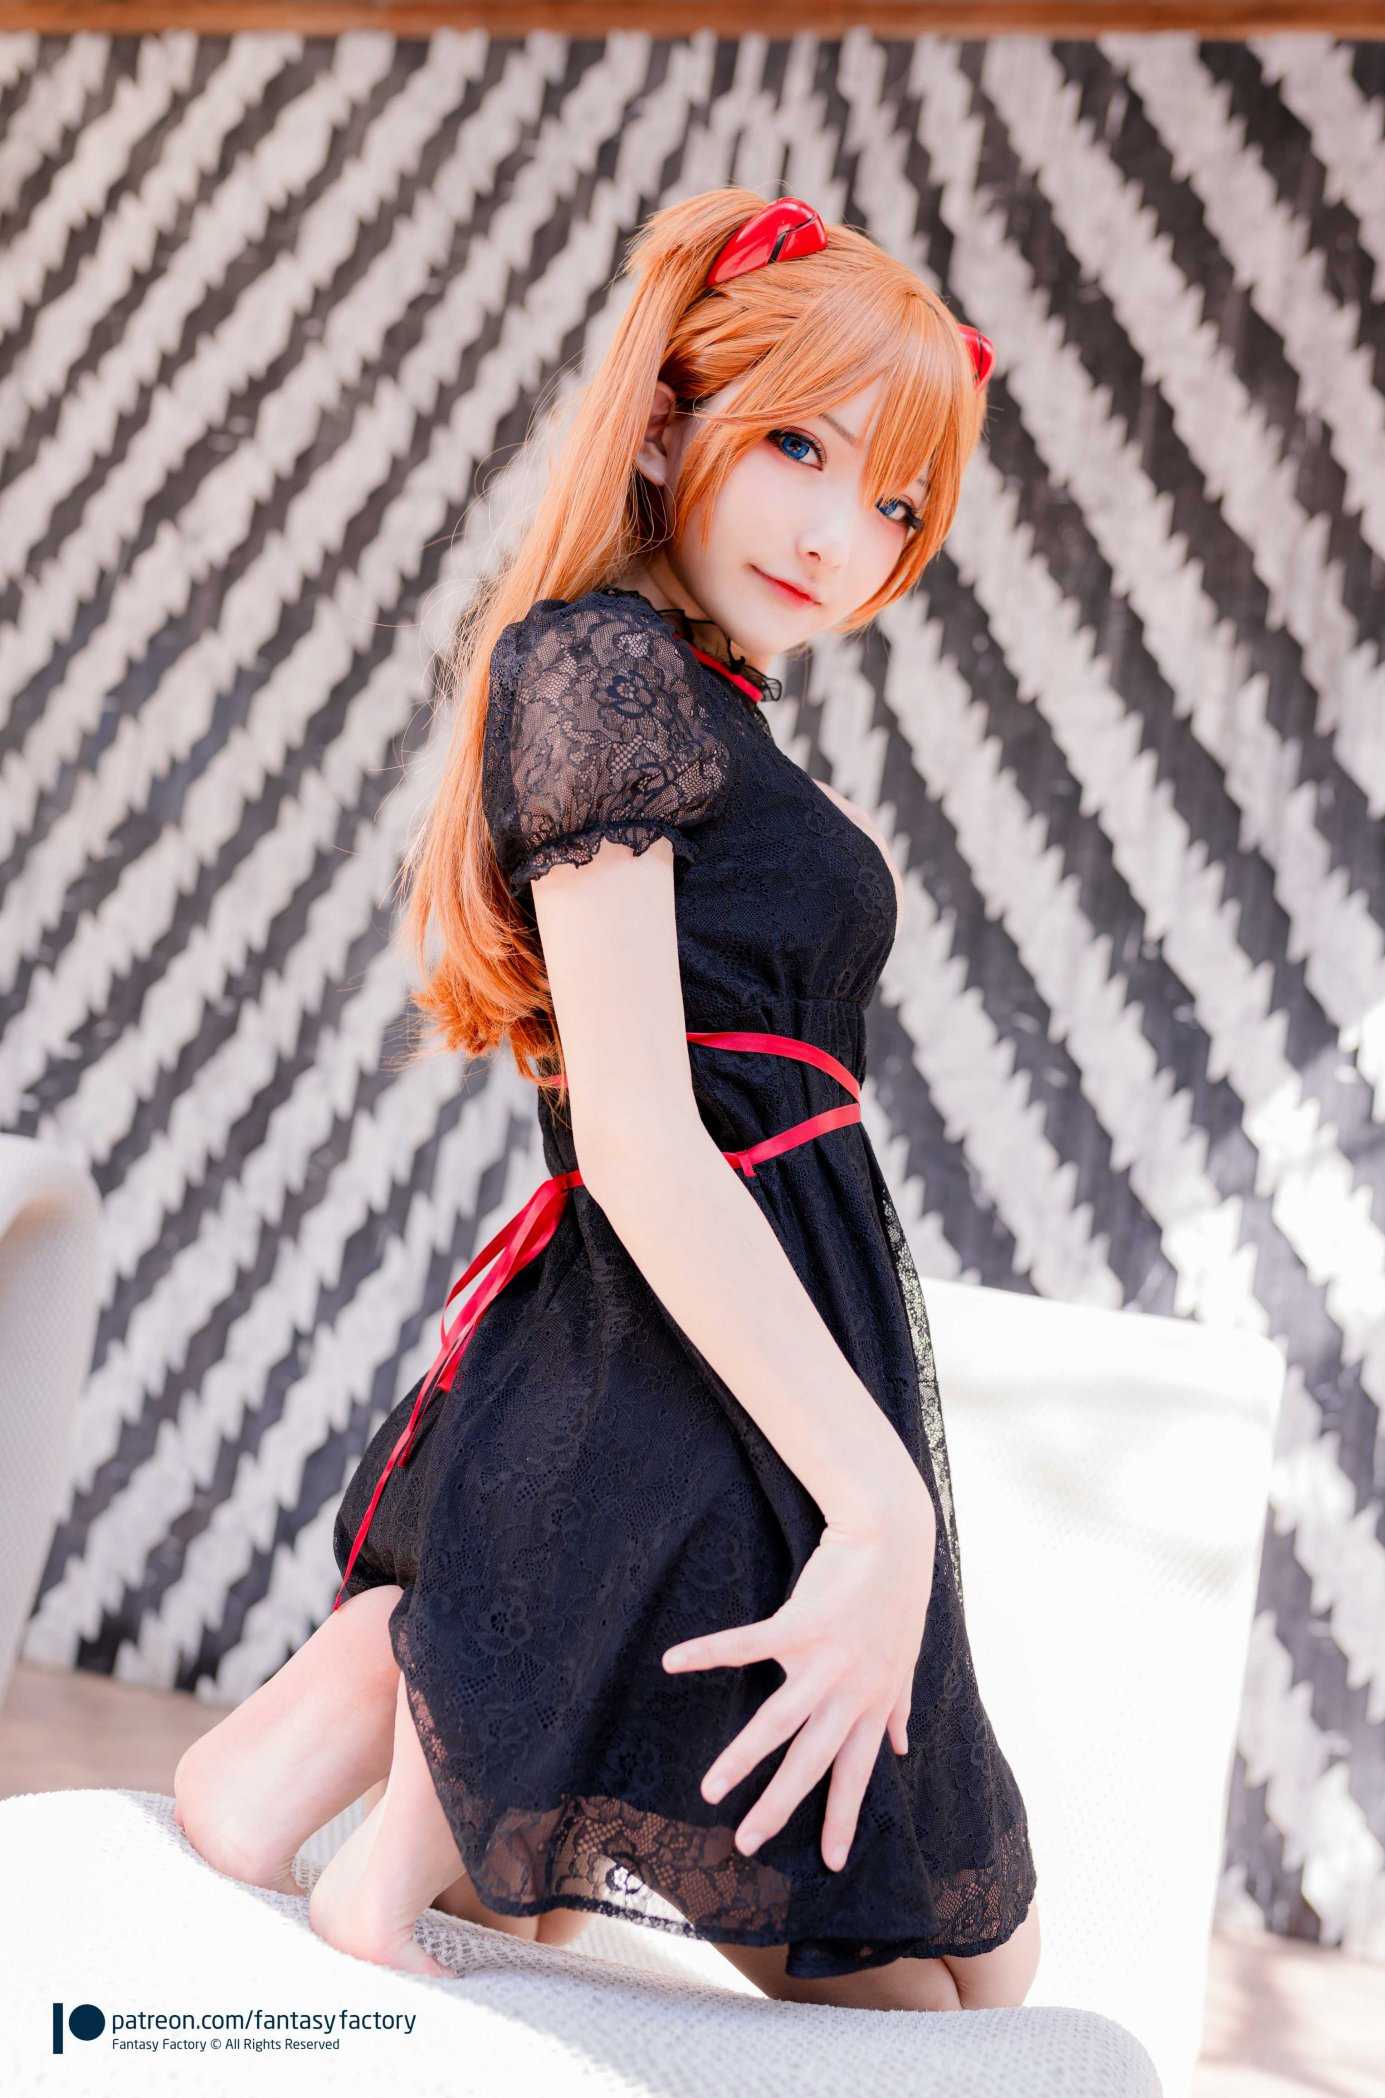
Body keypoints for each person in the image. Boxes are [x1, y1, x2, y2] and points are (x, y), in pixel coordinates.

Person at [173, 188, 1040, 2014]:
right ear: (661, 424)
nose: (844, 534)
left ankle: (407, 1680)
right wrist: (883, 1505)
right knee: (930, 1986)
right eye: (800, 445)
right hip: (676, 1366)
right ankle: (428, 1674)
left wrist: (878, 1488)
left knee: (986, 1959)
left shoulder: (713, 710)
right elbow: (643, 1141)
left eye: (897, 503)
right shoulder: (600, 666)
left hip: (777, 1356)